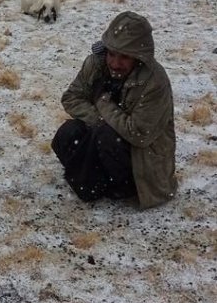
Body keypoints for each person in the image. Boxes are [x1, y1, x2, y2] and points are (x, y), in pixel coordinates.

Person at [51, 11, 176, 209]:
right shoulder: (96, 63)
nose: (115, 64)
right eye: (111, 54)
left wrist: (103, 104)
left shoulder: (155, 82)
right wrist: (99, 119)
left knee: (108, 137)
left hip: (141, 157)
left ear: (139, 58)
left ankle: (125, 188)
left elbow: (139, 134)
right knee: (68, 133)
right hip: (103, 135)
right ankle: (96, 180)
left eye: (125, 57)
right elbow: (71, 97)